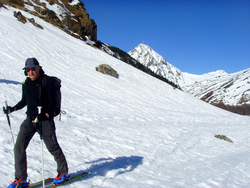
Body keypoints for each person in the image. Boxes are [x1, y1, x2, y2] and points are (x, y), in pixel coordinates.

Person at [3, 58, 68, 188]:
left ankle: (63, 173)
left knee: (52, 147)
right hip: (30, 119)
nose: (30, 72)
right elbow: (24, 101)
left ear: (38, 68)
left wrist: (45, 114)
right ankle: (21, 179)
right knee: (19, 146)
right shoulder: (26, 83)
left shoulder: (47, 81)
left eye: (33, 69)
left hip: (44, 119)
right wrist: (13, 109)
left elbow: (52, 102)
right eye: (28, 70)